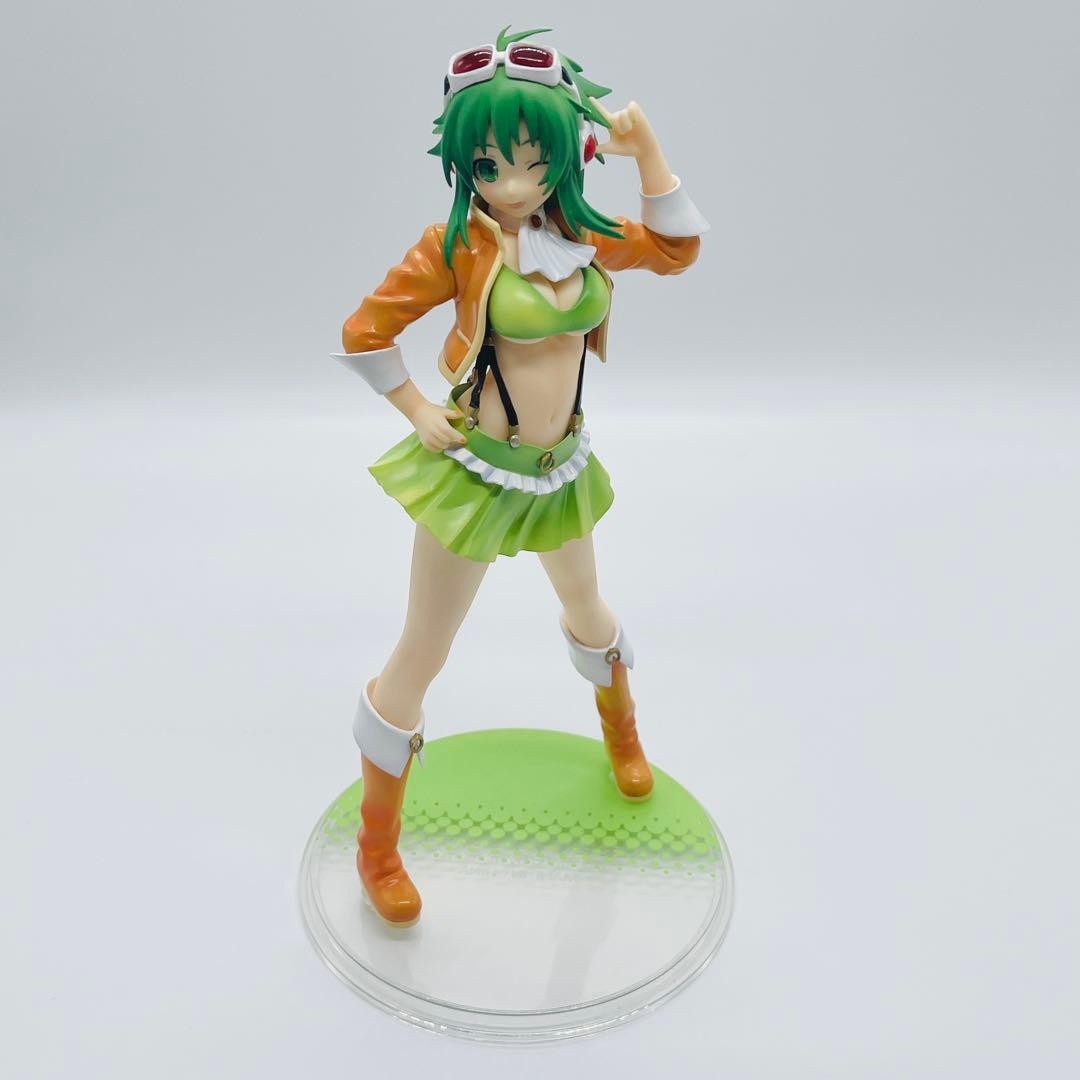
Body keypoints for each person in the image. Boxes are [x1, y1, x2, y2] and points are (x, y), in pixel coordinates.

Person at [331, 26, 709, 927]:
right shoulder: (454, 245)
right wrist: (419, 411)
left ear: (568, 159)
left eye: (535, 163)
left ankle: (622, 736)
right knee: (423, 652)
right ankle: (377, 848)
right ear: (465, 165)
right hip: (475, 475)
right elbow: (364, 332)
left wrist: (649, 151)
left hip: (559, 471)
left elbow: (677, 250)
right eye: (490, 165)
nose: (512, 184)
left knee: (590, 611)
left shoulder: (582, 235)